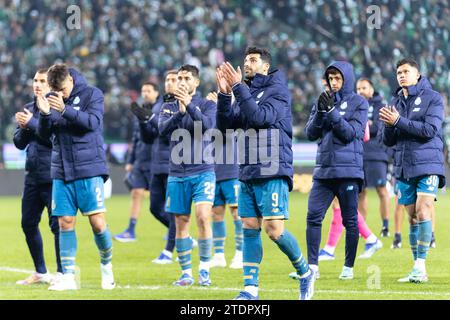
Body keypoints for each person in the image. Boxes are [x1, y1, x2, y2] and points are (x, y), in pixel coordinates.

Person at [217, 46, 314, 300]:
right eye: (246, 60)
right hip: (248, 168)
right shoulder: (245, 92)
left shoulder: (278, 91)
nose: (247, 63)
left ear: (265, 66)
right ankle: (250, 289)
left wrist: (238, 88)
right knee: (249, 225)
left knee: (274, 230)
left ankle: (305, 272)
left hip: (273, 167)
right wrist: (224, 95)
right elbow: (225, 127)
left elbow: (261, 117)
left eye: (252, 60)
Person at [36, 63, 114, 291]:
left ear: (70, 80)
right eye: (55, 91)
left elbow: (92, 123)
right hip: (61, 169)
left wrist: (64, 109)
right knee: (64, 222)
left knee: (98, 223)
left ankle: (107, 266)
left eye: (62, 90)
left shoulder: (92, 94)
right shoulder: (52, 97)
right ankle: (68, 276)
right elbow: (44, 135)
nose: (59, 95)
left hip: (89, 168)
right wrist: (43, 114)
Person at [380, 58, 445, 283]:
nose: (401, 75)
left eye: (406, 71)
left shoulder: (433, 98)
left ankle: (420, 266)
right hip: (404, 166)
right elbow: (386, 140)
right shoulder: (395, 101)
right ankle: (417, 267)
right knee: (413, 218)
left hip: (428, 163)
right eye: (398, 72)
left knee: (424, 209)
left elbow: (430, 130)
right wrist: (389, 126)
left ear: (418, 74)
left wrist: (398, 121)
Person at [305, 61, 368, 281]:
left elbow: (351, 133)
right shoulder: (322, 101)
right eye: (330, 78)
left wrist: (331, 112)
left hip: (348, 171)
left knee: (350, 221)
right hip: (324, 171)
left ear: (347, 79)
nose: (333, 83)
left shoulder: (359, 103)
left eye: (338, 78)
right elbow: (310, 133)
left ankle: (348, 267)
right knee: (313, 217)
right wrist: (322, 112)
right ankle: (312, 267)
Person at [158, 64, 216, 286]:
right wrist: (179, 112)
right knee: (181, 222)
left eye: (186, 78)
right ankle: (186, 273)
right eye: (179, 78)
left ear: (196, 82)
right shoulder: (169, 106)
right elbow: (162, 130)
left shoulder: (206, 104)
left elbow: (208, 125)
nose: (181, 82)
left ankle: (204, 269)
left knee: (203, 216)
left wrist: (189, 106)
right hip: (177, 173)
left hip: (202, 171)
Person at [13, 68, 62, 285]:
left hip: (53, 176)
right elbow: (19, 143)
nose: (37, 84)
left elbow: (53, 138)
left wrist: (32, 122)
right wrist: (24, 127)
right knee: (28, 223)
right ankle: (41, 272)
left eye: (42, 80)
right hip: (32, 176)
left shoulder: (58, 108)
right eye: (35, 80)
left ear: (50, 85)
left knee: (57, 226)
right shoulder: (27, 108)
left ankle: (62, 273)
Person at [140, 70, 180, 264]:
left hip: (173, 164)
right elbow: (148, 138)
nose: (169, 83)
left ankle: (168, 251)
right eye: (167, 80)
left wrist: (151, 119)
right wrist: (142, 121)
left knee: (173, 210)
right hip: (157, 165)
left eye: (174, 79)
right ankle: (183, 235)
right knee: (155, 208)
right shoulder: (161, 105)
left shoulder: (181, 105)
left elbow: (167, 131)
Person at [114, 81, 161, 242]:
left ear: (156, 93)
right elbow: (136, 138)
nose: (145, 94)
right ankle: (131, 230)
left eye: (148, 90)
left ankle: (174, 230)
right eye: (143, 91)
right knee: (136, 193)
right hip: (141, 159)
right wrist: (131, 160)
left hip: (156, 161)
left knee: (161, 200)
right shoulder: (140, 111)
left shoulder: (161, 109)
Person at [206, 91, 243, 269]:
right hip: (214, 170)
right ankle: (219, 254)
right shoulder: (210, 113)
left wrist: (226, 105)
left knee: (236, 213)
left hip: (232, 170)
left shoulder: (235, 113)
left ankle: (240, 253)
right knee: (216, 213)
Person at [356, 78, 391, 237]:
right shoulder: (355, 106)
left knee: (382, 190)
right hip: (358, 155)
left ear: (371, 89)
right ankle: (361, 228)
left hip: (377, 154)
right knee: (360, 193)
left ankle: (385, 226)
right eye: (358, 89)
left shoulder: (381, 106)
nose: (361, 91)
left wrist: (363, 124)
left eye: (364, 88)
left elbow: (377, 127)